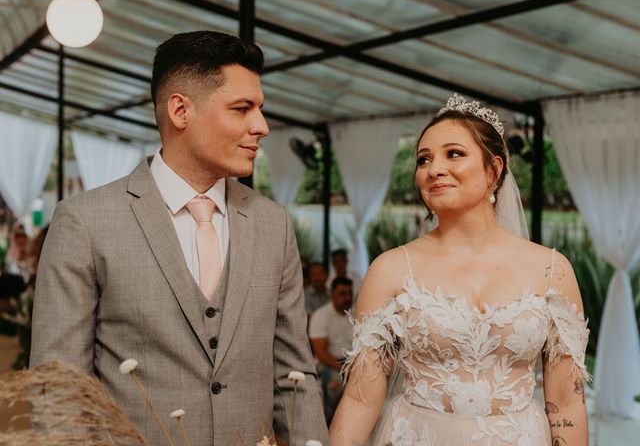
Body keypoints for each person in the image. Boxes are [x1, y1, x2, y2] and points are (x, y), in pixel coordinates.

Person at [31, 31, 328, 446]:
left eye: (260, 109)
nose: (260, 126)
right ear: (180, 110)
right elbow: (58, 391)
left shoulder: (272, 224)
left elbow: (294, 374)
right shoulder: (85, 221)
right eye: (241, 109)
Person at [330, 94, 589, 445]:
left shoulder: (551, 270)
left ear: (494, 169)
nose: (434, 169)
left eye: (454, 153)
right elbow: (361, 400)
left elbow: (567, 402)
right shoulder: (390, 270)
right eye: (424, 159)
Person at [308, 276, 354, 423]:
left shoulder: (357, 313)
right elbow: (321, 354)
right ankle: (329, 425)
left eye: (349, 293)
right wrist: (344, 369)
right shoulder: (320, 316)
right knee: (335, 385)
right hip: (329, 363)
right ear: (332, 294)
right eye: (342, 293)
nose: (347, 297)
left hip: (352, 362)